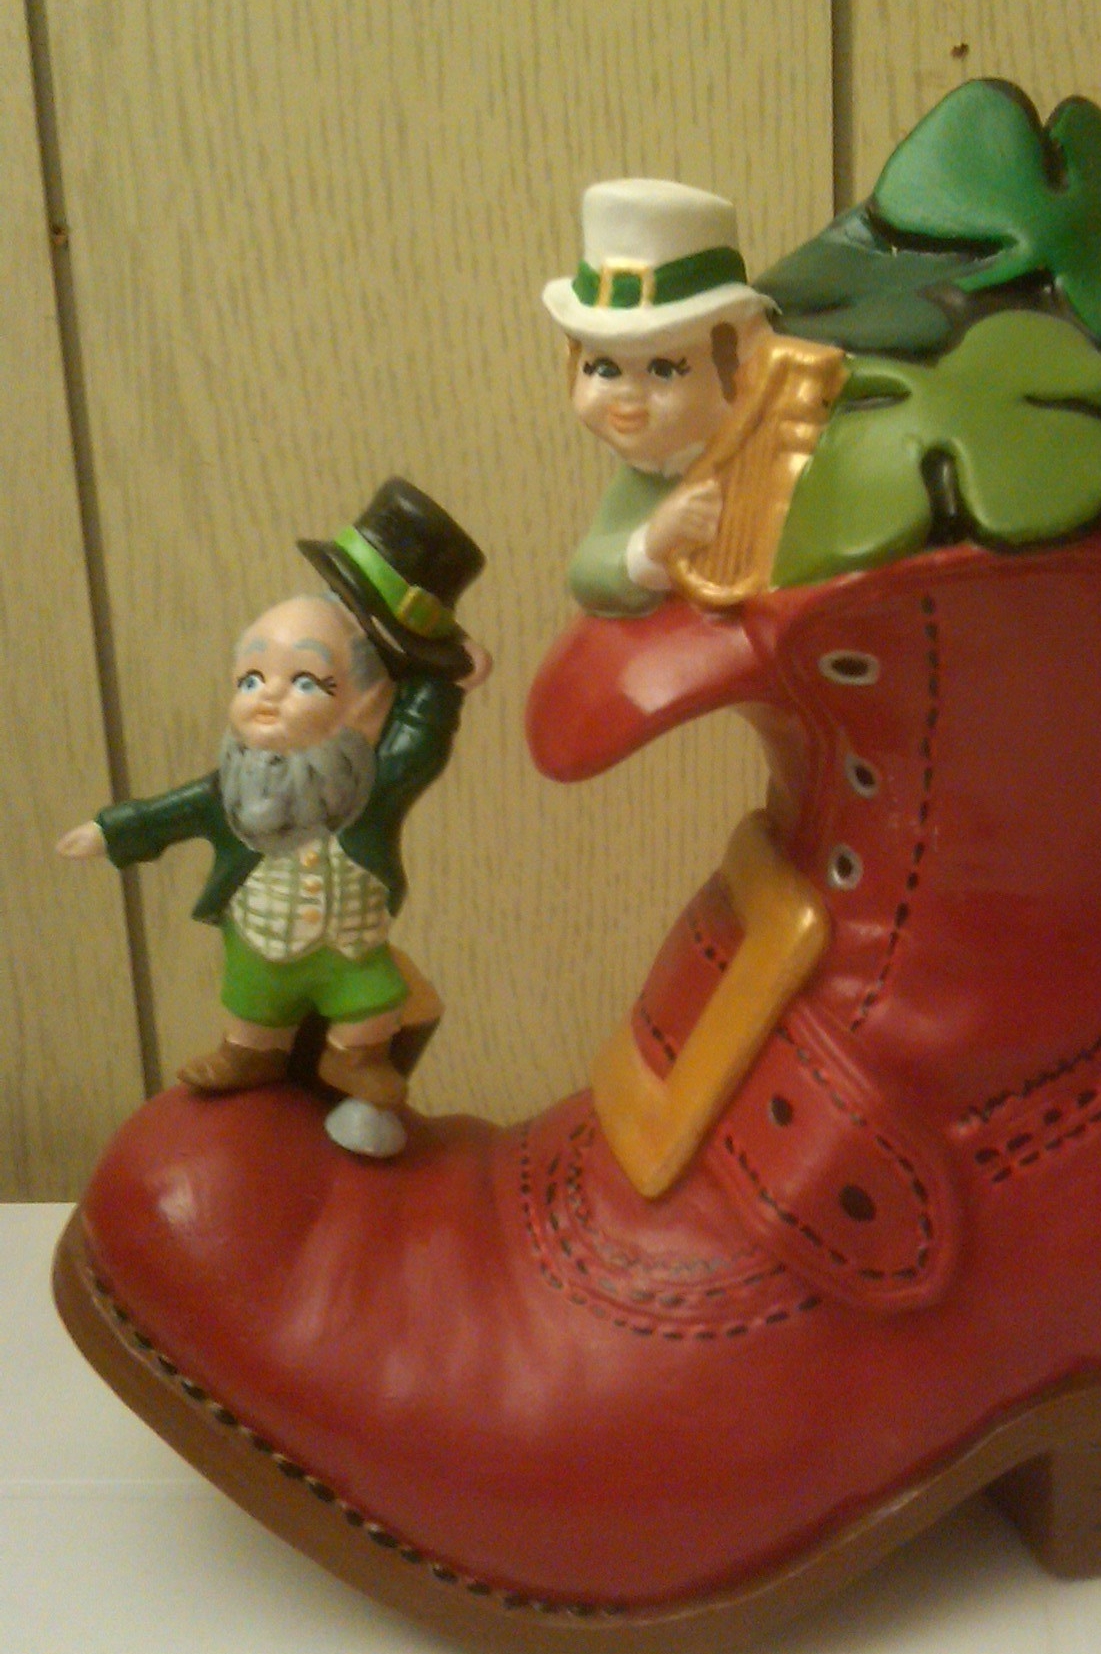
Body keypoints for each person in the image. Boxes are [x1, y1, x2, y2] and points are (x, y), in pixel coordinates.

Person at [58, 478, 489, 1111]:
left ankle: (353, 1057)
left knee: (374, 998)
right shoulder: (237, 788)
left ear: (367, 705)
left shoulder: (371, 783)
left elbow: (420, 743)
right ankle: (249, 1052)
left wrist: (443, 685)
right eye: (252, 677)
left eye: (306, 682)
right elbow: (170, 812)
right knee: (252, 998)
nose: (269, 696)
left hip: (349, 945)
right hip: (258, 936)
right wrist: (109, 830)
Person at [542, 178, 775, 616]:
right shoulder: (647, 478)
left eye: (664, 370)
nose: (627, 396)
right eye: (604, 369)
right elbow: (588, 574)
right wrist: (652, 544)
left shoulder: (770, 454)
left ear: (735, 366)